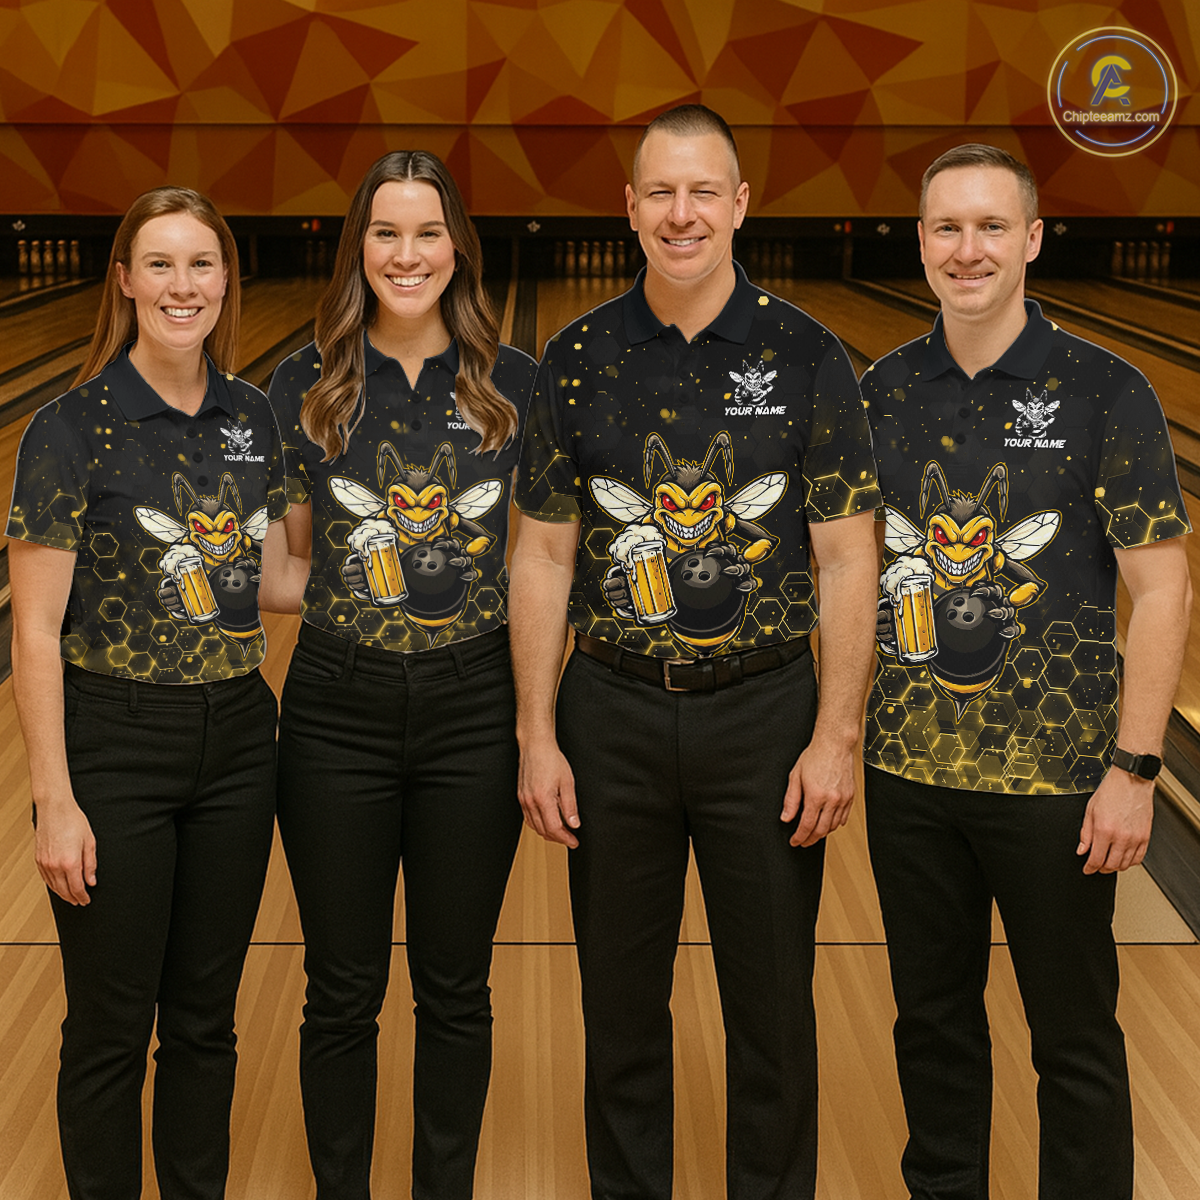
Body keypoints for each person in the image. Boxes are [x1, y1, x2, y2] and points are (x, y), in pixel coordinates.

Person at [510, 104, 881, 1200]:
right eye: (661, 193)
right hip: (610, 711)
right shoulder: (575, 357)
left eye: (703, 191)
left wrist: (836, 735)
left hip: (764, 717)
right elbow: (542, 554)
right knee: (620, 1011)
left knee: (773, 1014)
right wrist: (536, 732)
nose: (682, 214)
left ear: (740, 205)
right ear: (629, 209)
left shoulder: (807, 354)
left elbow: (848, 559)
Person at [861, 143, 1192, 1200]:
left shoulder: (1107, 389)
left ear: (1033, 239)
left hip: (1058, 783)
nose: (969, 250)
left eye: (992, 226)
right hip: (908, 777)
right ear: (921, 242)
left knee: (1073, 1036)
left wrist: (1134, 770)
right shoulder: (880, 391)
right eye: (948, 228)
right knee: (932, 1025)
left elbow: (1164, 590)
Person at [263, 150, 536, 1200]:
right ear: (359, 248)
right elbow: (290, 567)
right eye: (386, 233)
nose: (407, 254)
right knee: (340, 992)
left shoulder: (516, 385)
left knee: (456, 990)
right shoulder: (304, 386)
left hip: (477, 708)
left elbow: (542, 563)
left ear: (458, 248)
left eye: (428, 234)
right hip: (336, 709)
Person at [7, 187, 286, 1199]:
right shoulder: (67, 429)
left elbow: (270, 576)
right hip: (115, 743)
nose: (182, 285)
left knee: (205, 1022)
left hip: (239, 739)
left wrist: (448, 573)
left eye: (201, 263)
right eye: (160, 264)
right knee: (112, 1027)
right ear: (124, 280)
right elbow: (34, 631)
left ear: (226, 280)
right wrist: (56, 799)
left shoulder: (254, 416)